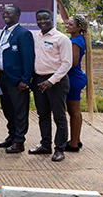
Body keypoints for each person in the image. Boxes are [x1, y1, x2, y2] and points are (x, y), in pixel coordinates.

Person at [29, 9, 73, 162]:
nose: (43, 22)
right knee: (43, 114)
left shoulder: (61, 39)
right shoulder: (36, 37)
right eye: (39, 19)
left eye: (46, 19)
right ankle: (45, 145)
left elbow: (67, 63)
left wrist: (51, 81)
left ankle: (59, 149)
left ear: (51, 19)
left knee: (59, 116)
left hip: (56, 82)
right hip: (39, 81)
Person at [0, 4, 35, 154]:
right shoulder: (4, 32)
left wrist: (26, 79)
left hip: (17, 79)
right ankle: (11, 136)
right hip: (3, 76)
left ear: (18, 15)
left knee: (19, 111)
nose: (5, 15)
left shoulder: (23, 33)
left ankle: (19, 141)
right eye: (4, 13)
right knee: (7, 109)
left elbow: (29, 59)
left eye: (9, 13)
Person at [55, 0, 87, 152]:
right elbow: (66, 18)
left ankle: (73, 144)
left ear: (79, 27)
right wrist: (60, 3)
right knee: (76, 112)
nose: (66, 25)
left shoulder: (75, 41)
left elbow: (72, 63)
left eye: (70, 25)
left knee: (73, 112)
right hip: (77, 77)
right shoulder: (78, 36)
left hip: (73, 78)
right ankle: (77, 140)